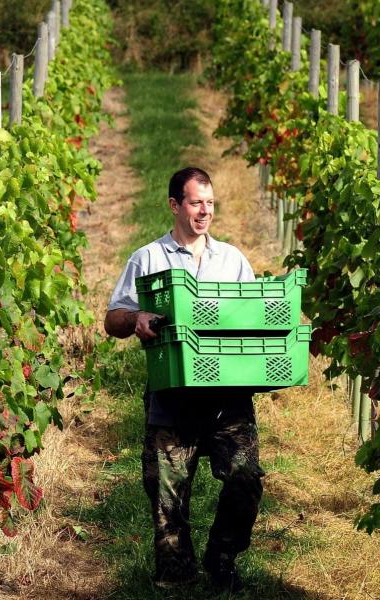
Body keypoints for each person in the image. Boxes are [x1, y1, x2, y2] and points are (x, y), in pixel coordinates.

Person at [105, 167, 263, 592]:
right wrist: (135, 318)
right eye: (196, 203)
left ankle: (223, 556)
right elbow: (112, 318)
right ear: (175, 205)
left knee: (246, 479)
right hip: (171, 398)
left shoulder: (232, 260)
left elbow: (253, 320)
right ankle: (177, 578)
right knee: (166, 500)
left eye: (210, 203)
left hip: (228, 397)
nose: (204, 211)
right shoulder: (147, 258)